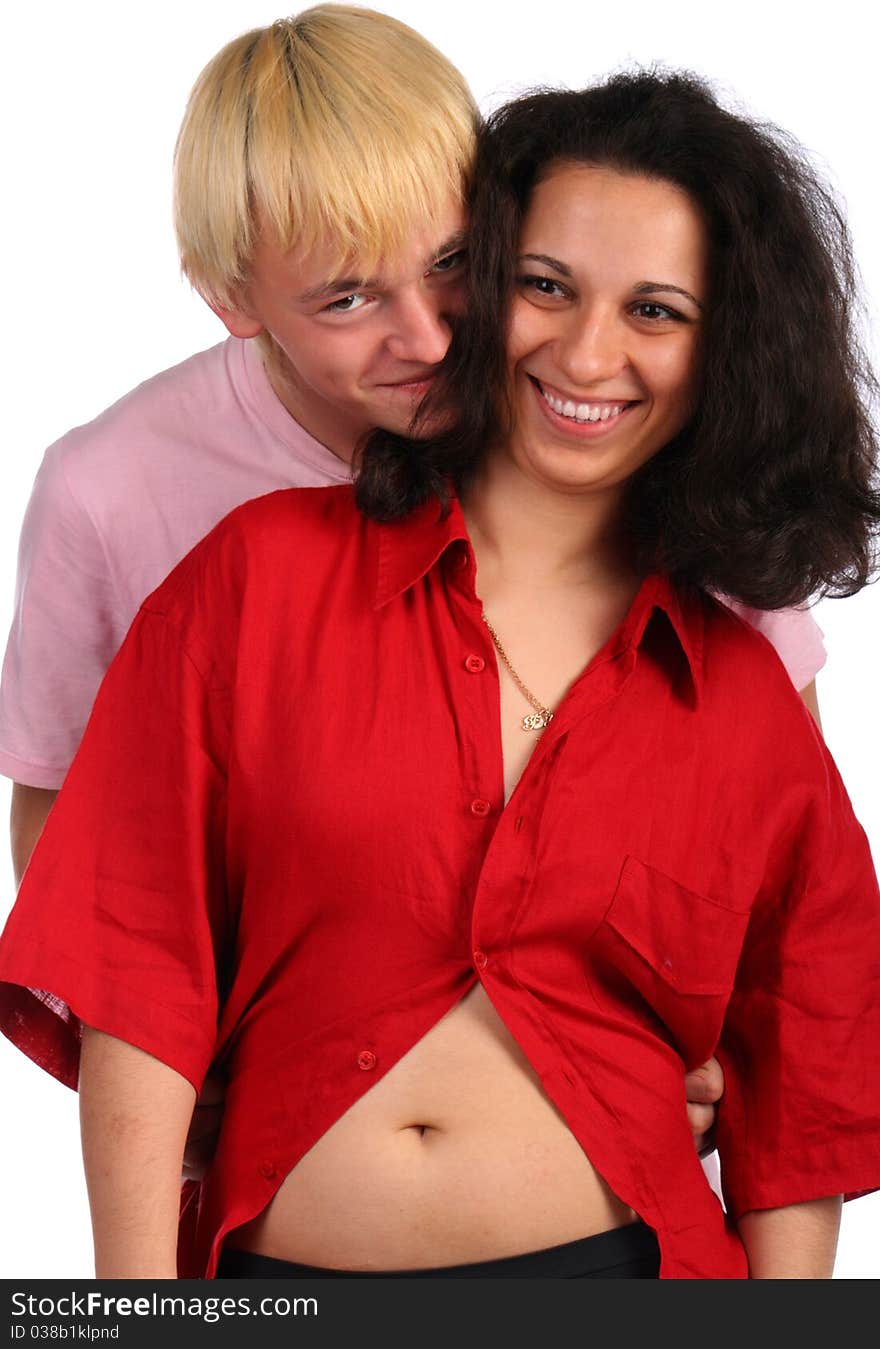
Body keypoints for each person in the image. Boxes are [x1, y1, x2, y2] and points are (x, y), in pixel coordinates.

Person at [7, 66, 874, 1280]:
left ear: (723, 351)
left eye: (657, 312)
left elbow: (802, 1073)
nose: (586, 352)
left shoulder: (738, 684)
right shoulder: (249, 575)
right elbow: (136, 956)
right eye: (545, 285)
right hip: (276, 1275)